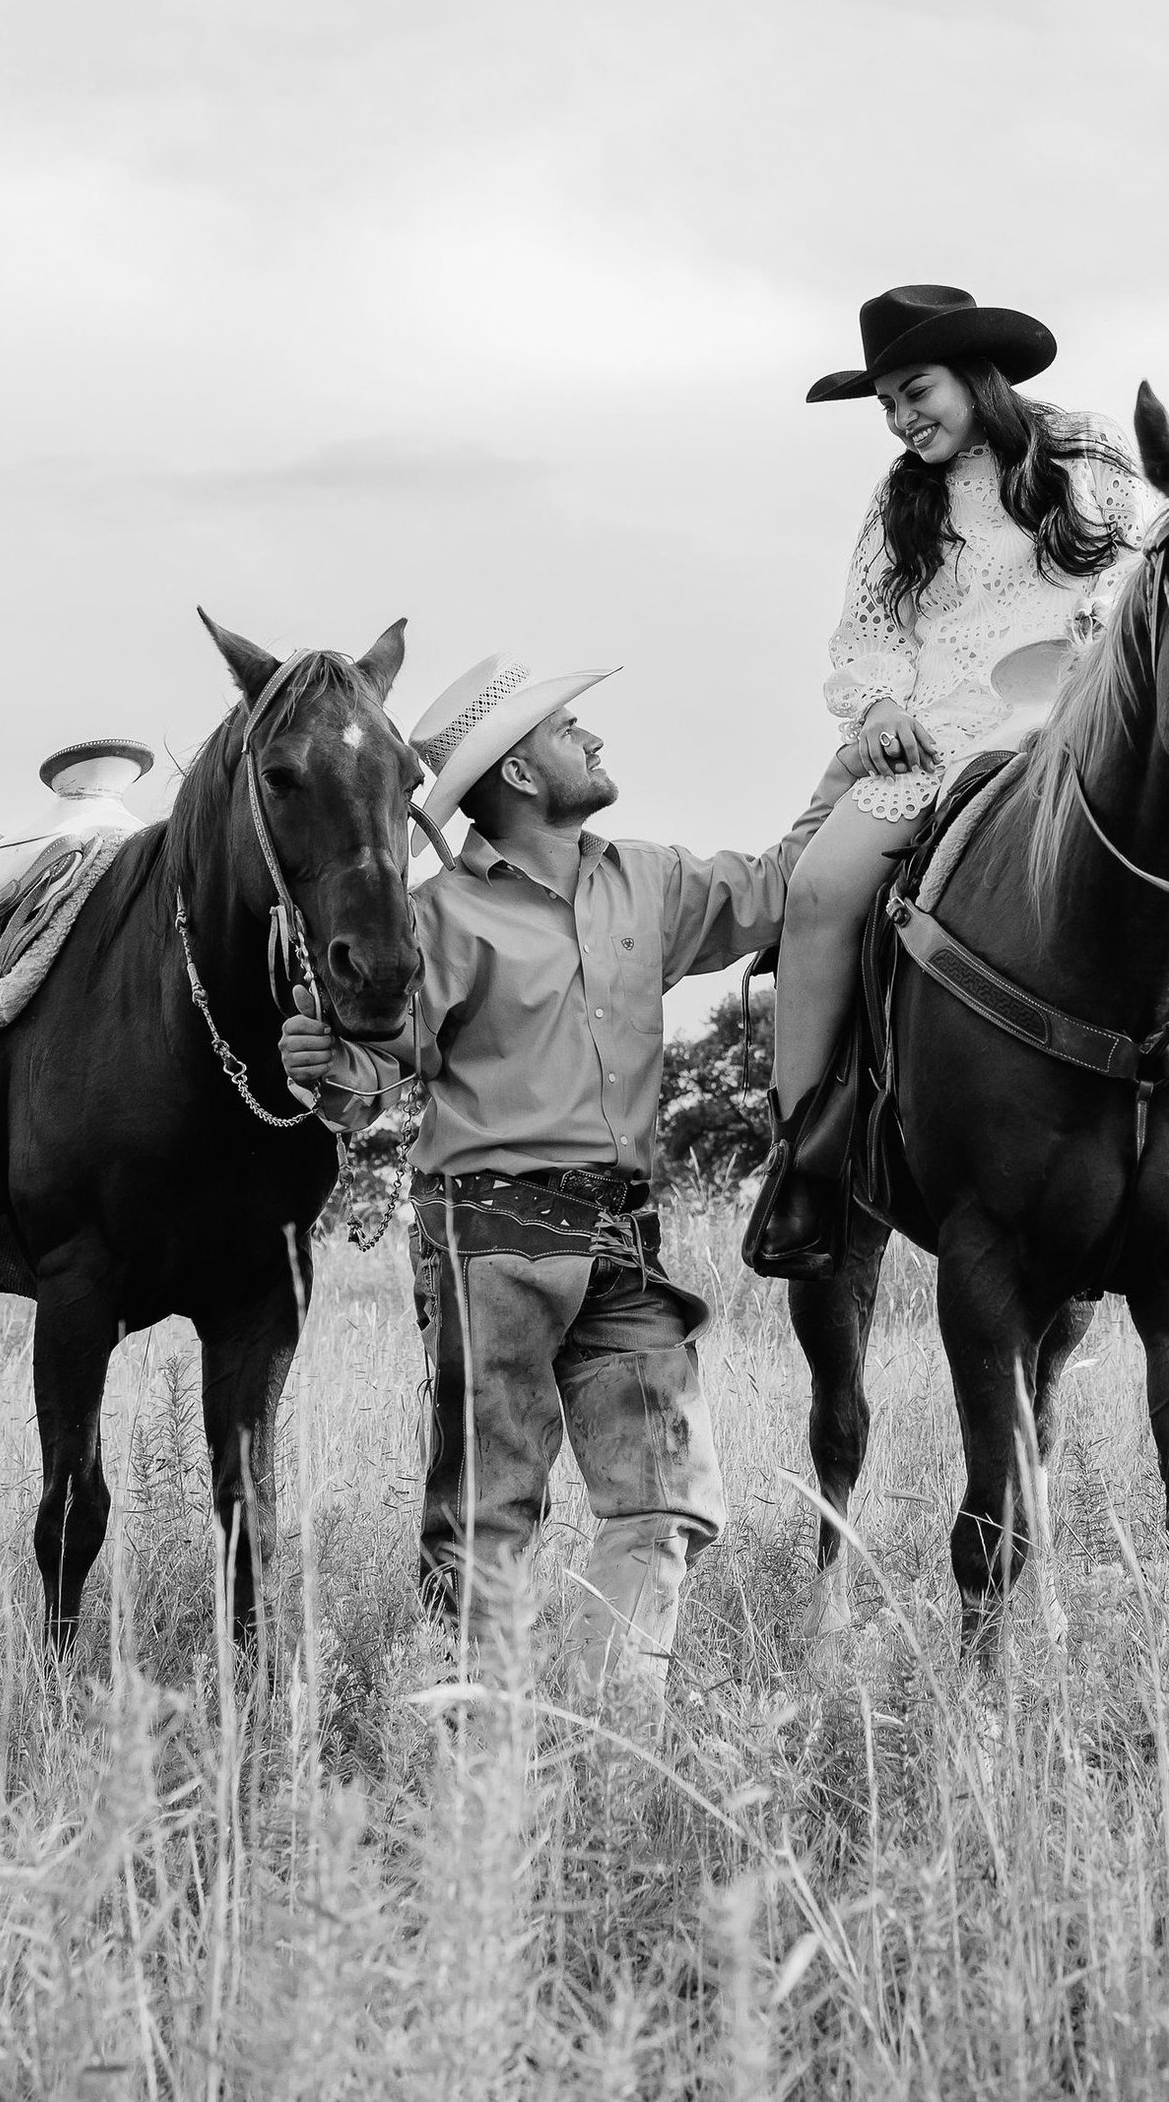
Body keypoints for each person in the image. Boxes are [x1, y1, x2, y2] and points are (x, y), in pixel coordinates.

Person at [279, 653, 861, 1702]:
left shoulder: (650, 881)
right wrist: (323, 1067)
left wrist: (855, 763)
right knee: (490, 1517)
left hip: (623, 1238)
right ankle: (482, 1746)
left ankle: (608, 1739)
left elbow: (783, 884)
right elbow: (370, 1076)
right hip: (490, 1243)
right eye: (567, 730)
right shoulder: (441, 917)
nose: (590, 738)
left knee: (667, 1502)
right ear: (521, 774)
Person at [752, 284, 1148, 1270]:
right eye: (886, 403)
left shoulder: (1087, 454)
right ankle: (803, 1161)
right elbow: (869, 632)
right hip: (941, 736)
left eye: (915, 391)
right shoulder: (903, 497)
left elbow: (1134, 578)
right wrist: (879, 708)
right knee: (817, 892)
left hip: (1083, 722)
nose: (900, 418)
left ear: (975, 376)